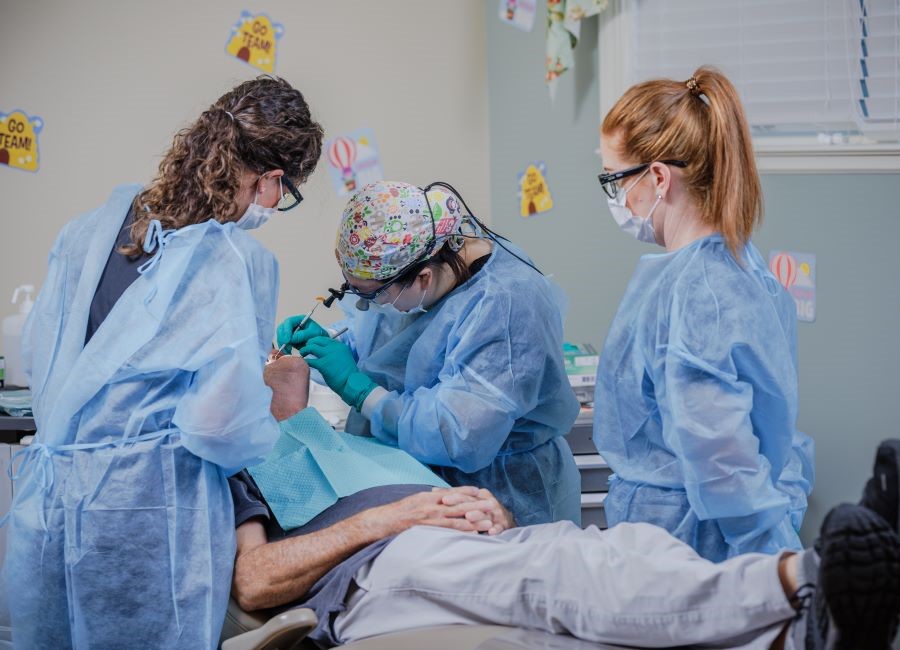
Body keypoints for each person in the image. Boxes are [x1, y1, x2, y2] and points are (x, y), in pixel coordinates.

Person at [230, 369, 900, 649]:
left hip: (453, 543)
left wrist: (488, 510)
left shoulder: (342, 436)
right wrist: (396, 517)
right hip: (377, 570)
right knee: (568, 582)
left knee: (626, 549)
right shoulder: (238, 463)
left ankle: (800, 635)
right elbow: (255, 580)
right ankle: (802, 575)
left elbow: (307, 423)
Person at [2, 76, 323, 649]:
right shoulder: (232, 261)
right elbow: (219, 430)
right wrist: (268, 401)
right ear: (270, 178)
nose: (278, 206)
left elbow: (40, 353)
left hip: (53, 503)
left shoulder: (87, 231)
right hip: (149, 515)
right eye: (286, 192)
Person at [592, 66, 815, 562]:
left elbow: (722, 460)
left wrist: (774, 563)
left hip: (687, 548)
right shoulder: (737, 268)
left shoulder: (700, 293)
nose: (613, 197)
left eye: (613, 179)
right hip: (683, 536)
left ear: (656, 177)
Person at [276, 180, 582, 527]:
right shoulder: (423, 279)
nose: (363, 306)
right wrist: (331, 342)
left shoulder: (507, 307)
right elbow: (388, 347)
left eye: (371, 295)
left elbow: (455, 435)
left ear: (421, 278)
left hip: (502, 500)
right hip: (415, 489)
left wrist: (358, 389)